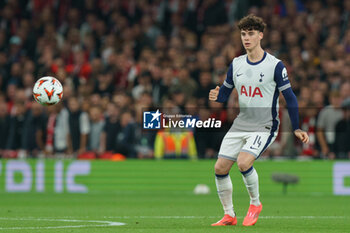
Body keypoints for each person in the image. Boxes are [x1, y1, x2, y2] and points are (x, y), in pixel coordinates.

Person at [208, 15, 309, 227]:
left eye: (251, 34)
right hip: (241, 123)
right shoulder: (236, 64)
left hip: (265, 124)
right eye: (243, 34)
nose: (246, 38)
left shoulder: (275, 65)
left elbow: (289, 97)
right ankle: (229, 215)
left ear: (260, 35)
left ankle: (255, 204)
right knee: (220, 168)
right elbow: (225, 94)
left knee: (244, 162)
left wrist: (297, 126)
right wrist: (217, 95)